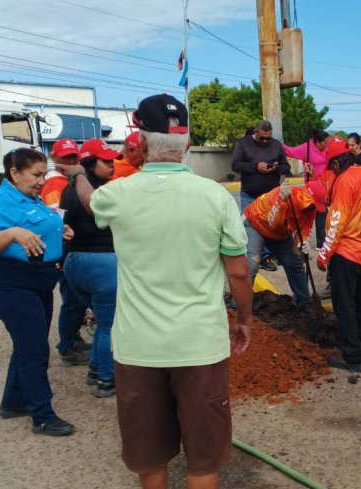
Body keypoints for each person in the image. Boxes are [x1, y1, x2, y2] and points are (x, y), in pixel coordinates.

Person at [89, 94, 252, 489]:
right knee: (203, 458)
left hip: (138, 347)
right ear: (189, 143)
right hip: (200, 344)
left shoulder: (114, 196)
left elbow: (92, 202)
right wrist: (244, 320)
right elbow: (238, 272)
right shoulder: (216, 197)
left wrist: (86, 169)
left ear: (141, 142)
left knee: (150, 455)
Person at [0, 148, 75, 437]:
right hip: (12, 284)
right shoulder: (0, 200)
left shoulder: (30, 196)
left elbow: (39, 224)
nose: (42, 181)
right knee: (35, 350)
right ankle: (42, 416)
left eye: (44, 174)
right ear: (15, 173)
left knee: (26, 345)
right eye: (36, 175)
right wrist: (12, 233)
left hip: (39, 281)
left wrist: (59, 230)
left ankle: (13, 402)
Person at [56, 138, 120, 397]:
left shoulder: (68, 190)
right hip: (102, 264)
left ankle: (95, 369)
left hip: (74, 264)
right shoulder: (99, 194)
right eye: (106, 161)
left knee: (102, 322)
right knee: (109, 326)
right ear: (91, 164)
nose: (112, 165)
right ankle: (107, 379)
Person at [317, 138, 361, 372]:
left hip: (345, 253)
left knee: (344, 304)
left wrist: (324, 255)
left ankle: (352, 356)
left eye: (331, 167)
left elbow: (337, 221)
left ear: (336, 163)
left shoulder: (345, 181)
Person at [41, 139, 92, 367]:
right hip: (64, 250)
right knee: (72, 301)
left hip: (70, 249)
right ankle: (68, 348)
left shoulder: (67, 181)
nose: (71, 161)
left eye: (74, 156)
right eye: (66, 157)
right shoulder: (56, 183)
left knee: (76, 301)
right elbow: (58, 221)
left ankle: (74, 341)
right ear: (54, 158)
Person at [243, 179, 327, 311]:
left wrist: (303, 241)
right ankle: (239, 307)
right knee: (252, 266)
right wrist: (281, 200)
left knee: (295, 264)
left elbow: (305, 227)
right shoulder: (283, 195)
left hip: (279, 234)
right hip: (256, 225)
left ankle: (305, 304)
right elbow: (273, 223)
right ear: (305, 197)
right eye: (312, 204)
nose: (313, 208)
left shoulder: (311, 209)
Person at [231, 120, 291, 272]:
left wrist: (277, 168)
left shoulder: (276, 145)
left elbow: (286, 166)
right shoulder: (243, 143)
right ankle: (260, 258)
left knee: (272, 225)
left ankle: (271, 254)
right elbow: (235, 165)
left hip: (271, 196)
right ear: (255, 132)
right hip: (250, 195)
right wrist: (255, 166)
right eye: (262, 138)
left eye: (268, 138)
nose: (265, 141)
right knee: (252, 228)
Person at [283, 130, 329, 250]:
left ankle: (320, 241)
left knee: (322, 213)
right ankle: (300, 241)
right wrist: (277, 144)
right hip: (312, 186)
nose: (326, 145)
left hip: (324, 186)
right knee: (313, 213)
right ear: (318, 142)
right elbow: (290, 151)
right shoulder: (306, 148)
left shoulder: (326, 149)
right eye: (324, 143)